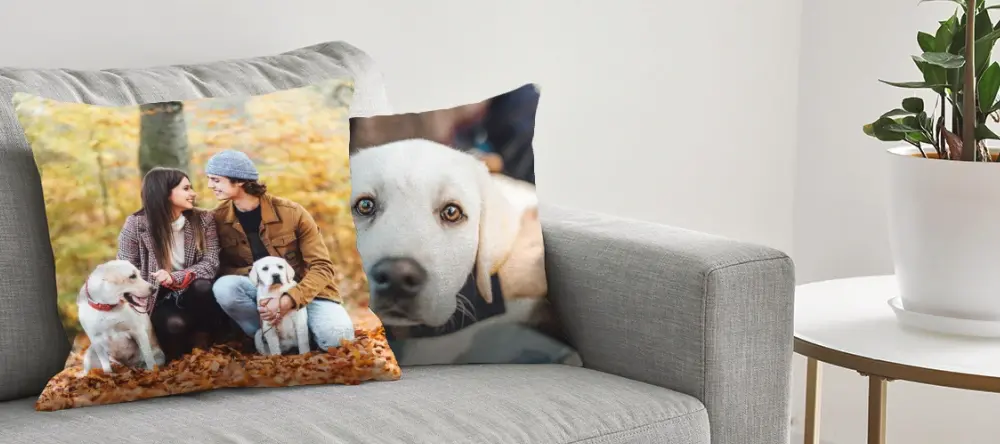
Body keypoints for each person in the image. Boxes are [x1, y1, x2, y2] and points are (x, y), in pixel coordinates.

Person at [205, 150, 355, 352]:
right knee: (225, 287)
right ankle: (267, 338)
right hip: (260, 294)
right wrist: (260, 283)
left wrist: (288, 299)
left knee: (338, 339)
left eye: (216, 180)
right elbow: (220, 268)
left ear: (239, 181)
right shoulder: (217, 220)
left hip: (308, 292)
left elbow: (322, 267)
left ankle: (303, 335)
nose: (210, 186)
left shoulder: (292, 213)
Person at [117, 167, 226, 362]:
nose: (193, 193)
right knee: (175, 325)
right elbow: (125, 270)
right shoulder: (135, 224)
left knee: (203, 285)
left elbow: (211, 262)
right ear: (165, 193)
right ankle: (177, 357)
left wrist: (175, 277)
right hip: (157, 296)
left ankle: (205, 343)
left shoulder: (203, 219)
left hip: (193, 293)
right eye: (186, 188)